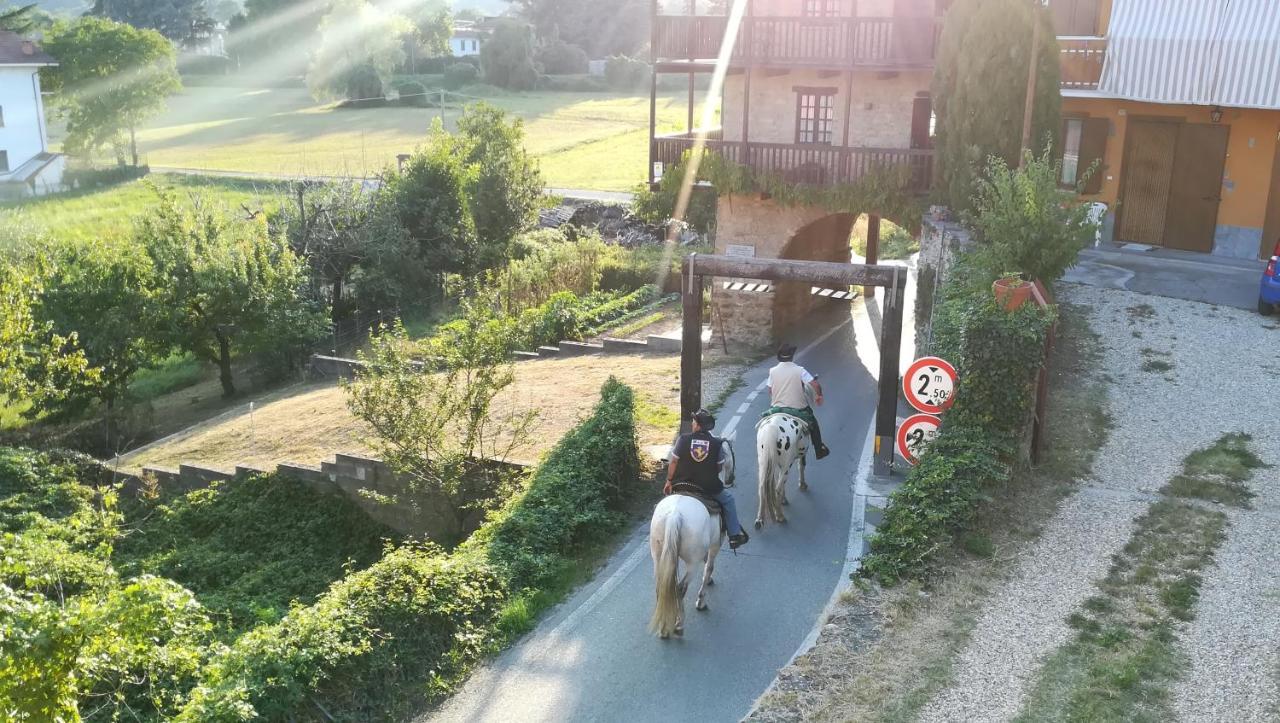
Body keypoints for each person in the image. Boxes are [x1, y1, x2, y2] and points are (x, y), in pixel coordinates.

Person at [665, 409, 750, 550]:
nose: (692, 423)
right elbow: (719, 467)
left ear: (698, 425)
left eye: (694, 421)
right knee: (729, 500)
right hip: (707, 487)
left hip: (681, 484)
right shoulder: (717, 444)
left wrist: (669, 481)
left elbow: (673, 462)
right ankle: (734, 535)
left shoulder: (683, 439)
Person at [765, 342, 829, 459]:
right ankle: (819, 449)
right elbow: (814, 384)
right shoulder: (800, 370)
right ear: (792, 356)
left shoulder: (772, 371)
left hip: (776, 408)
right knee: (813, 423)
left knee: (765, 423)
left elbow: (770, 390)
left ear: (779, 356)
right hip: (798, 408)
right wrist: (819, 396)